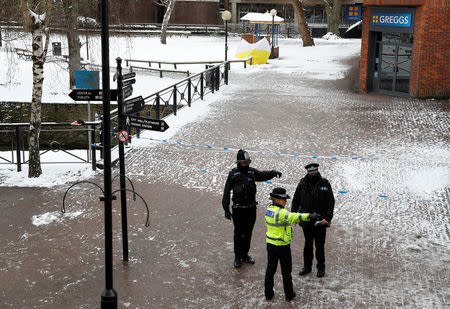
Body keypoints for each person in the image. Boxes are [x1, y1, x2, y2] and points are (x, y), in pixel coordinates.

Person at [222, 149, 282, 268]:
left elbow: (262, 175)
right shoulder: (233, 174)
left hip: (251, 208)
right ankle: (237, 256)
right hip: (238, 209)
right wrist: (226, 209)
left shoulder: (251, 172)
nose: (247, 164)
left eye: (248, 162)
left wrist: (273, 173)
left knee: (248, 233)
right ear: (239, 162)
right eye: (244, 162)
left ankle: (245, 255)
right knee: (239, 234)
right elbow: (226, 192)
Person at [264, 187, 320, 302]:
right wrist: (309, 215)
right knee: (286, 272)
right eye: (284, 199)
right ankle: (289, 295)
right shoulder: (282, 212)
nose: (286, 201)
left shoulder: (268, 209)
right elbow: (293, 217)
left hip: (270, 244)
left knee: (270, 270)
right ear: (277, 200)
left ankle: (268, 293)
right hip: (282, 246)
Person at [292, 163, 335, 278]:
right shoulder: (302, 183)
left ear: (317, 171)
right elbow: (296, 200)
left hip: (321, 221)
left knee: (320, 246)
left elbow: (331, 201)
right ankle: (307, 267)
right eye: (310, 172)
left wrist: (328, 218)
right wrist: (294, 215)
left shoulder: (324, 183)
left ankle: (321, 268)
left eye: (314, 172)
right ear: (307, 172)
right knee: (308, 245)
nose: (313, 174)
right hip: (306, 220)